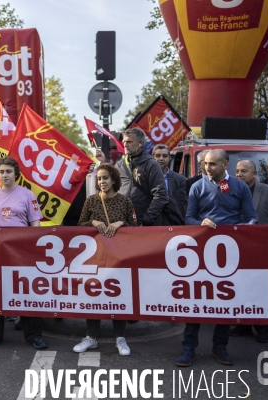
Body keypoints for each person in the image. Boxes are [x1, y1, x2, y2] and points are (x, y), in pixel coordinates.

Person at [178, 149, 258, 367]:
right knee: (196, 299)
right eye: (205, 164)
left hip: (229, 252)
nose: (207, 168)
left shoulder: (240, 187)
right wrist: (200, 223)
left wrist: (235, 229)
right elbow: (189, 218)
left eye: (212, 164)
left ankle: (220, 347)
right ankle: (188, 347)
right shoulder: (197, 186)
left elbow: (252, 218)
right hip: (201, 251)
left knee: (224, 299)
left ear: (225, 164)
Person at [0, 156, 48, 350]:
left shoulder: (27, 195)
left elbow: (35, 223)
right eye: (1, 172)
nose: (5, 175)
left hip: (21, 253)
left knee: (26, 291)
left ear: (16, 174)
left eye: (8, 171)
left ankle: (34, 335)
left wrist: (32, 245)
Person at [73, 163, 137, 356]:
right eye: (99, 178)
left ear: (114, 179)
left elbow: (136, 228)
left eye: (106, 178)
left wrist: (121, 223)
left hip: (119, 258)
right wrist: (93, 222)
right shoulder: (91, 201)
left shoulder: (125, 202)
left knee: (118, 295)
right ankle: (91, 338)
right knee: (93, 295)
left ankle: (120, 338)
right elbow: (80, 224)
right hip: (95, 257)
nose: (102, 182)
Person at [230, 160, 268, 343]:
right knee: (240, 287)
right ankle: (243, 324)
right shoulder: (229, 191)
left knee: (260, 290)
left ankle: (262, 327)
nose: (239, 175)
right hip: (237, 249)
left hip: (262, 250)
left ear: (254, 173)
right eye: (237, 171)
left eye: (244, 171)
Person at [116, 128, 168, 226]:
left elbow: (161, 196)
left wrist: (146, 221)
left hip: (144, 226)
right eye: (124, 141)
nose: (125, 144)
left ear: (140, 143)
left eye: (129, 141)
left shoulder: (152, 165)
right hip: (122, 224)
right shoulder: (119, 165)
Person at [152, 144, 187, 216]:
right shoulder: (145, 177)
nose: (161, 159)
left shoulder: (180, 179)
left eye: (165, 156)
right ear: (153, 158)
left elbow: (183, 202)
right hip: (152, 220)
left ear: (169, 158)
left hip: (173, 219)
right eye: (158, 156)